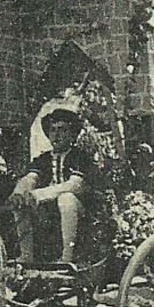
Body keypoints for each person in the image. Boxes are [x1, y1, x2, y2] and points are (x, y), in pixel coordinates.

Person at [10, 106, 96, 264]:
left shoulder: (80, 157)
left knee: (66, 198)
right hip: (48, 210)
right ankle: (26, 256)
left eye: (62, 130)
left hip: (79, 210)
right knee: (21, 201)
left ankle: (66, 258)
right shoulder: (43, 159)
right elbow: (30, 178)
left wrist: (39, 194)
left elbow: (74, 185)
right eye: (53, 130)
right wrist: (20, 192)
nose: (56, 135)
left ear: (72, 134)